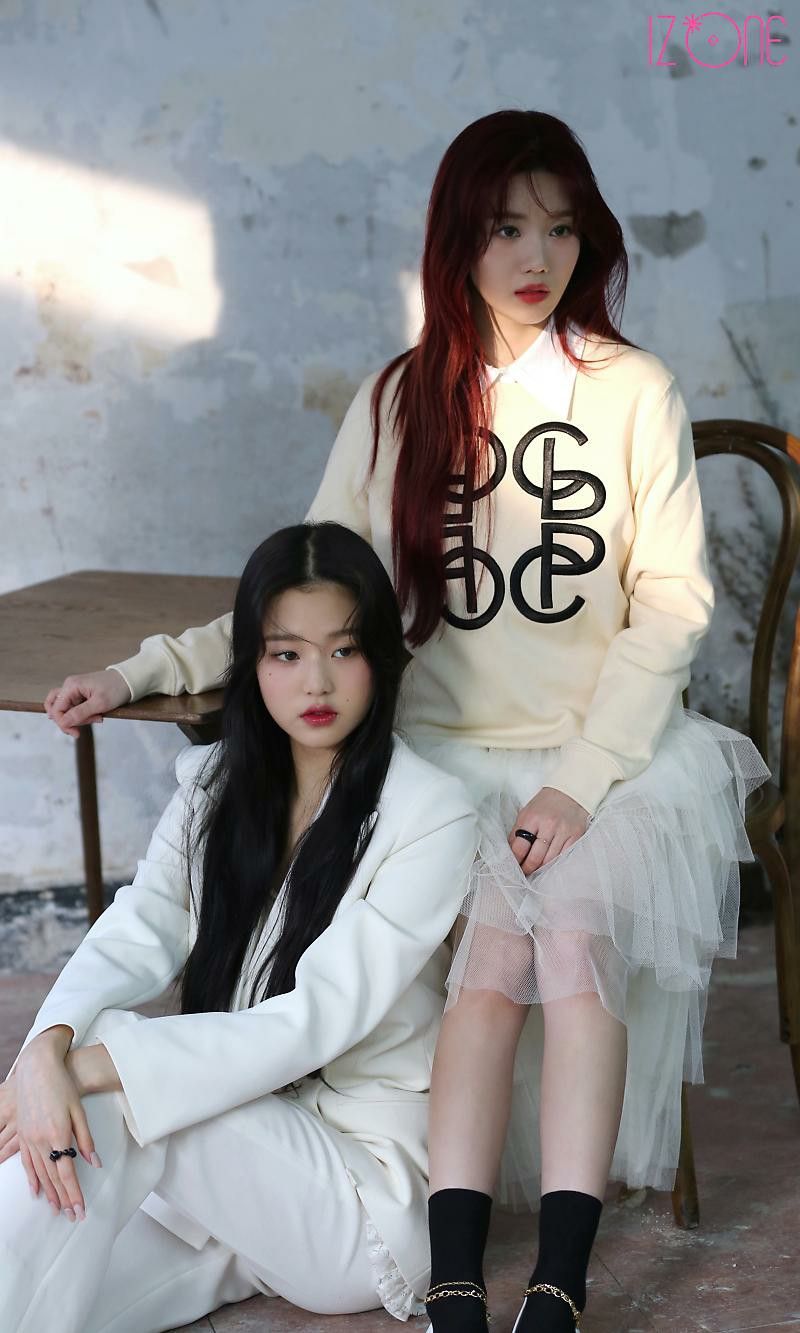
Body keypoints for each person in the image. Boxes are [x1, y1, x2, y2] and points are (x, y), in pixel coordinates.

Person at [45, 111, 769, 1333]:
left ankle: (560, 1283)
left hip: (598, 755)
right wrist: (144, 669)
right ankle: (452, 1276)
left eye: (558, 229)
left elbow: (670, 603)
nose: (533, 257)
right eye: (503, 228)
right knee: (487, 966)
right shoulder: (399, 400)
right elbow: (316, 583)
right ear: (455, 239)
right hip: (438, 765)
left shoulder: (630, 390)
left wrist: (582, 777)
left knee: (571, 944)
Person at [1, 521, 479, 1333]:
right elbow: (140, 923)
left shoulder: (430, 814)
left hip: (354, 1203)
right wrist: (44, 1049)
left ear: (380, 658)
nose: (316, 680)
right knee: (54, 1284)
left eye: (344, 649)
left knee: (116, 1082)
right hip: (230, 1195)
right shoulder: (218, 786)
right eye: (286, 653)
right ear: (253, 664)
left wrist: (79, 1065)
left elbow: (314, 1019)